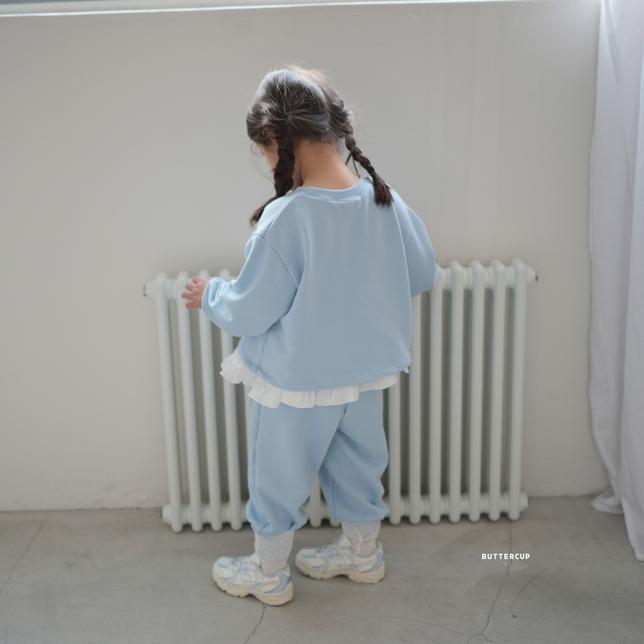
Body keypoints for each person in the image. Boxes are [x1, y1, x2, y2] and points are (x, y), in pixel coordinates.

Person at [181, 64, 438, 606]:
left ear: (276, 140)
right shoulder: (384, 200)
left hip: (296, 383)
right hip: (364, 374)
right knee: (359, 465)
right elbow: (419, 274)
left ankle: (268, 571)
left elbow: (251, 311)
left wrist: (211, 295)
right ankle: (362, 554)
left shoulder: (288, 219)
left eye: (264, 151)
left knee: (278, 474)